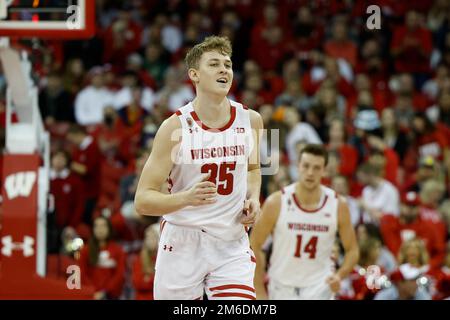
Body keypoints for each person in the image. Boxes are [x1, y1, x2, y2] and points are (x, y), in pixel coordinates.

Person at [134, 36, 263, 300]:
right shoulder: (174, 127)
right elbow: (142, 201)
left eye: (227, 64)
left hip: (231, 240)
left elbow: (255, 169)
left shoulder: (254, 120)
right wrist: (185, 198)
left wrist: (254, 198)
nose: (224, 70)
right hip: (183, 241)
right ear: (194, 75)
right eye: (214, 64)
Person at [250, 144, 359, 300]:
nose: (310, 173)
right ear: (298, 166)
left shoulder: (338, 205)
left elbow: (352, 250)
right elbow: (254, 244)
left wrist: (340, 275)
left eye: (316, 168)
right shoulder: (276, 202)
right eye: (306, 166)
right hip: (281, 287)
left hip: (320, 287)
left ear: (324, 170)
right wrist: (258, 288)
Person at [79, 216, 126, 300]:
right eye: (97, 226)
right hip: (90, 294)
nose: (100, 229)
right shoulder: (85, 250)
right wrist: (93, 291)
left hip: (111, 296)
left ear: (109, 228)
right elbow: (82, 273)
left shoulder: (118, 250)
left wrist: (105, 291)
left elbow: (119, 274)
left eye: (103, 226)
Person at [131, 224, 159, 300]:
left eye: (154, 237)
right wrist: (155, 278)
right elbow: (137, 283)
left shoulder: (163, 260)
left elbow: (164, 282)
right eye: (148, 237)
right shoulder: (138, 259)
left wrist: (148, 278)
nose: (150, 240)